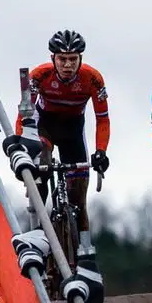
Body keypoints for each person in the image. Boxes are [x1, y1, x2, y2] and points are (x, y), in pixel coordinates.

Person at [17, 29, 111, 250]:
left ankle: (85, 253)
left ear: (80, 59)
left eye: (72, 59)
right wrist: (23, 145)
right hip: (44, 127)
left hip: (73, 130)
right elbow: (23, 115)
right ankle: (38, 232)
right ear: (53, 59)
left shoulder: (93, 79)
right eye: (62, 59)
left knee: (79, 199)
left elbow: (103, 119)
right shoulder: (39, 76)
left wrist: (101, 151)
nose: (67, 65)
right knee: (42, 166)